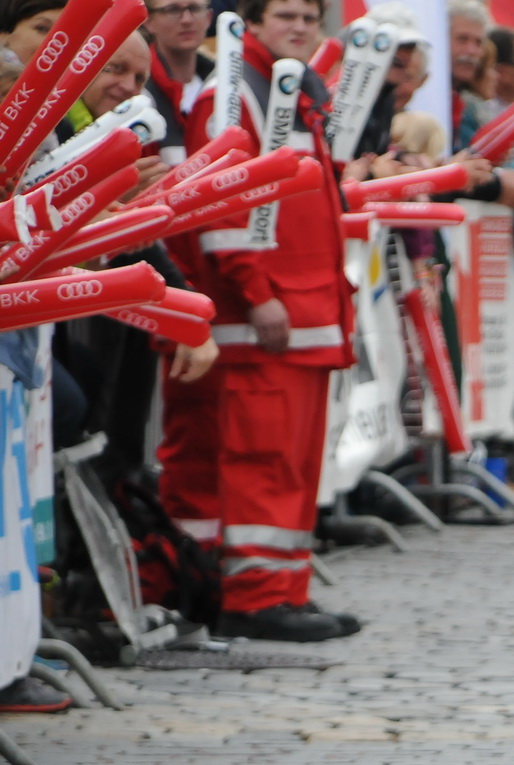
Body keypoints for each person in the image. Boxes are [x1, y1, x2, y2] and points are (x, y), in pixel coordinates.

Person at [165, 0, 363, 641]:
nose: (302, 27)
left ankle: (284, 587)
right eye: (286, 14)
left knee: (295, 463)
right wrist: (257, 291)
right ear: (252, 21)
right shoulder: (233, 92)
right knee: (262, 459)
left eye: (311, 16)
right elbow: (224, 203)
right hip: (266, 316)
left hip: (303, 310)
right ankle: (253, 597)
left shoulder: (292, 86)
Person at [144, 0, 215, 166]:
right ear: (149, 21)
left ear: (209, 17)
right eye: (172, 10)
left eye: (195, 8)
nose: (187, 20)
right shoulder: (136, 88)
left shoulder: (223, 84)